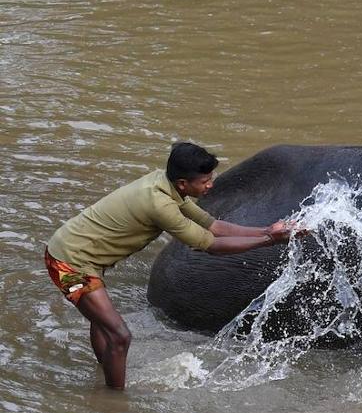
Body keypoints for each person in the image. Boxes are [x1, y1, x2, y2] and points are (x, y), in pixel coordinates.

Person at [44, 142, 294, 390]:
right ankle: (114, 404)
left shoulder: (165, 185)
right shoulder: (159, 204)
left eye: (211, 178)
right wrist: (269, 241)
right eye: (205, 180)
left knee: (104, 325)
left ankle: (108, 373)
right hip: (68, 263)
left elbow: (214, 226)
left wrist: (265, 230)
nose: (210, 185)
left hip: (80, 255)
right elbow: (210, 245)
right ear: (183, 183)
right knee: (120, 335)